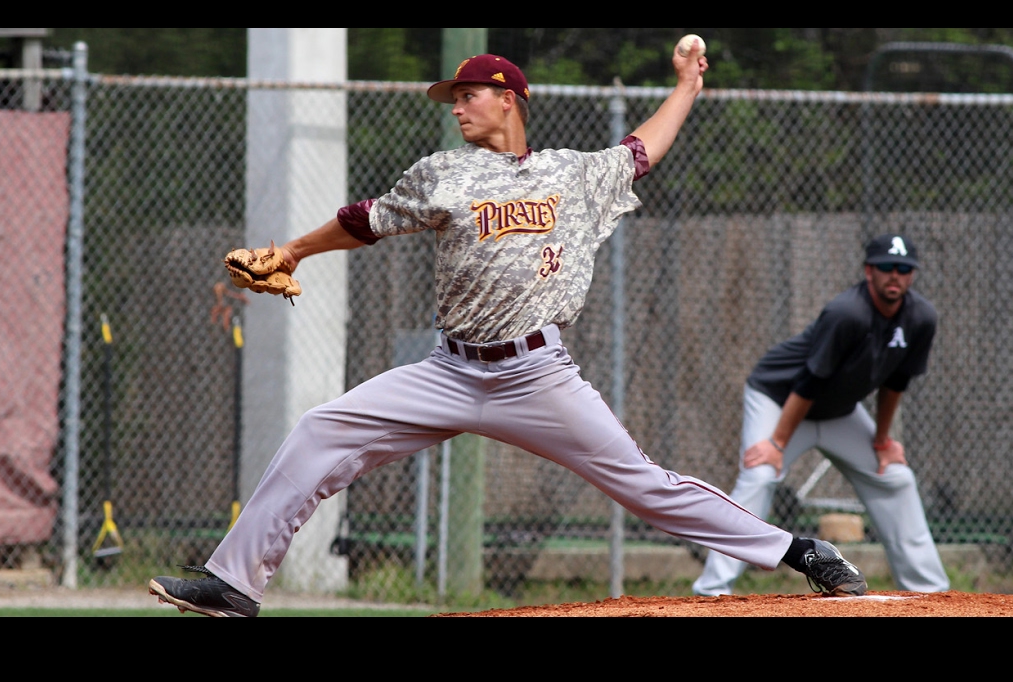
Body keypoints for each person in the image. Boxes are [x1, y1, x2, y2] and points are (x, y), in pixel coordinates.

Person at [148, 45, 867, 617]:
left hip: (537, 376)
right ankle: (235, 585)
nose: (457, 106)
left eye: (468, 94)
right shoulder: (442, 175)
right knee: (319, 430)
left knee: (648, 488)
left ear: (509, 99)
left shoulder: (573, 174)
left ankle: (804, 554)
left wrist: (685, 87)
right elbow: (365, 220)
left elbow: (643, 149)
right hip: (449, 371)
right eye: (454, 98)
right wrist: (294, 251)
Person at [691, 233, 950, 597]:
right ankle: (712, 591)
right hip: (781, 400)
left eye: (905, 269)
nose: (896, 275)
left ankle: (932, 594)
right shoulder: (848, 312)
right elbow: (809, 381)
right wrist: (777, 443)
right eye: (887, 267)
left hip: (838, 414)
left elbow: (896, 381)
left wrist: (882, 440)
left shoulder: (921, 317)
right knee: (760, 475)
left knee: (896, 477)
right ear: (868, 271)